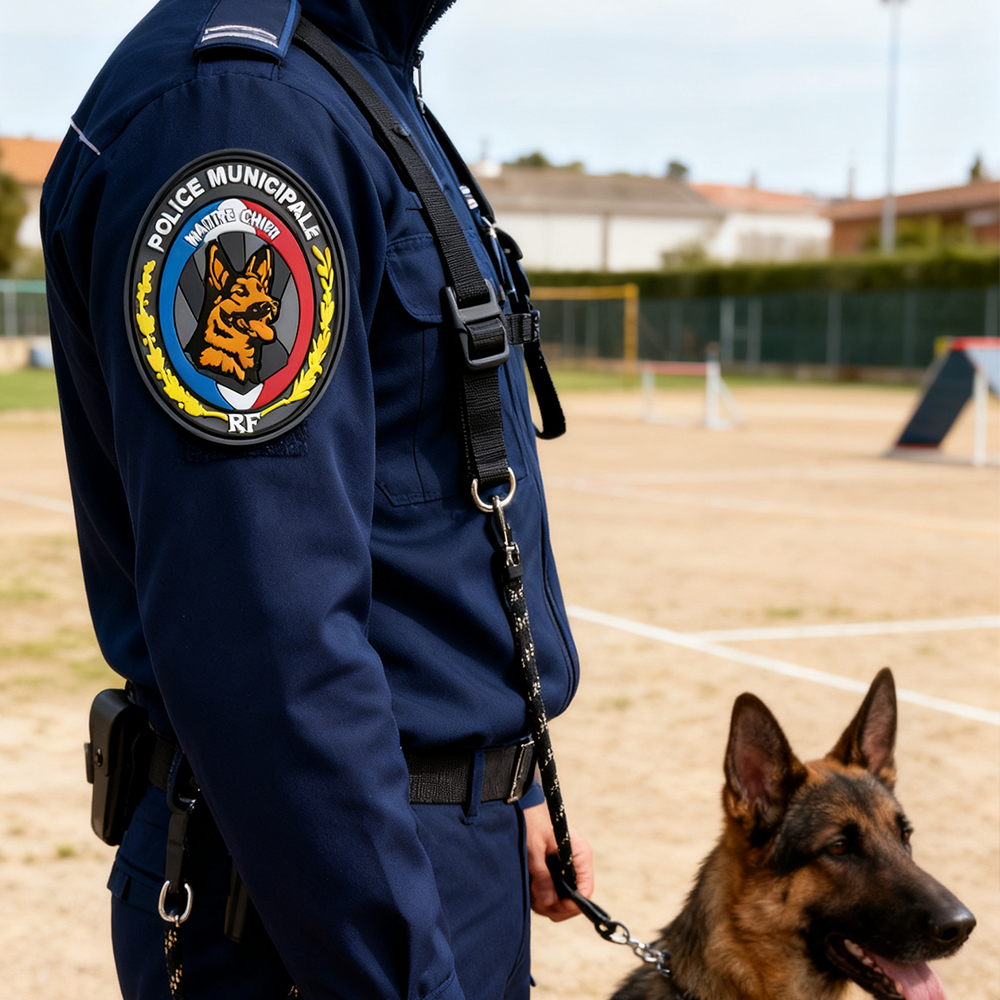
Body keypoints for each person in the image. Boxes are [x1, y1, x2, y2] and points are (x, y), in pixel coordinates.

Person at [41, 1, 593, 999]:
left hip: (397, 855)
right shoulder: (244, 113)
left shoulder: (347, 74)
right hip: (311, 909)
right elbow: (263, 639)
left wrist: (487, 784)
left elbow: (407, 521)